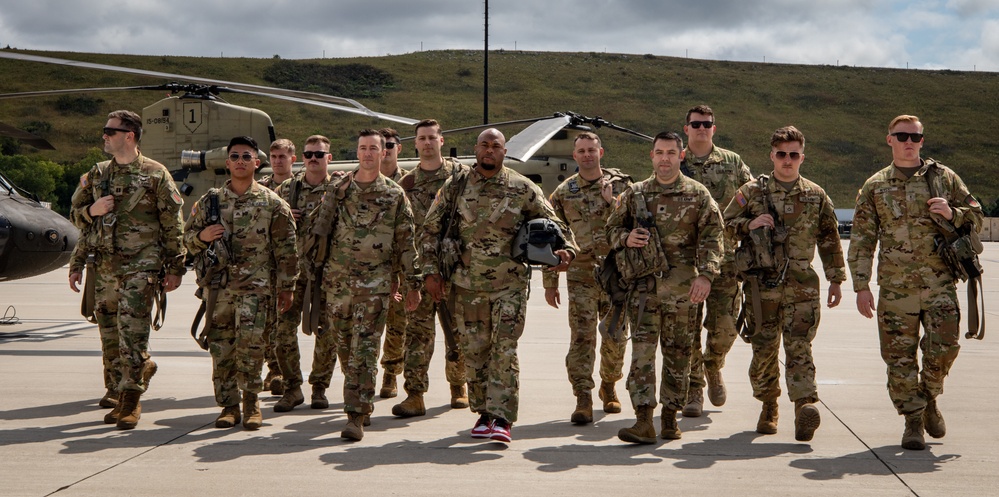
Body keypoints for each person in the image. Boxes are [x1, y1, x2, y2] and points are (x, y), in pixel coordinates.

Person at [420, 128, 577, 443]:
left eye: (495, 146)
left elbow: (556, 223)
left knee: (504, 349)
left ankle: (503, 417)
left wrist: (566, 250)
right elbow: (429, 230)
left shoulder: (522, 188)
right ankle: (483, 413)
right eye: (484, 145)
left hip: (510, 286)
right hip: (465, 286)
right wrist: (430, 272)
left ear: (505, 152)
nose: (489, 151)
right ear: (475, 150)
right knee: (475, 352)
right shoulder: (455, 187)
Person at [848, 115, 984, 450]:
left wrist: (953, 214)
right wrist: (861, 285)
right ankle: (913, 422)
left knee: (945, 349)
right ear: (889, 139)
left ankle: (929, 396)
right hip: (896, 289)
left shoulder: (944, 178)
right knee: (899, 360)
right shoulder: (875, 186)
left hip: (940, 283)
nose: (910, 142)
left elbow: (976, 215)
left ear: (922, 141)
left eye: (916, 137)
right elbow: (863, 239)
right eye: (902, 136)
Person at [724, 126, 845, 441]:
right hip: (761, 286)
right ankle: (768, 405)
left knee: (799, 347)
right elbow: (723, 227)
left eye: (794, 154)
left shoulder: (816, 195)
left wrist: (836, 280)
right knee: (764, 350)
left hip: (802, 285)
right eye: (782, 154)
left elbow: (830, 239)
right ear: (772, 156)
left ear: (802, 157)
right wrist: (748, 223)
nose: (788, 160)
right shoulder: (751, 192)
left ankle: (805, 405)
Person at [68, 110, 186, 429]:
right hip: (105, 266)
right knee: (109, 332)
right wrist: (91, 214)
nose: (104, 135)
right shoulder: (97, 173)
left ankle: (132, 400)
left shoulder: (155, 174)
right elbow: (75, 215)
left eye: (111, 131)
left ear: (129, 136)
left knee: (132, 331)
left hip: (142, 265)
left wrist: (175, 267)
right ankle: (123, 386)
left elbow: (173, 223)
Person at [605, 131, 723, 443]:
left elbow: (714, 238)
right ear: (652, 156)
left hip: (685, 292)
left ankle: (670, 418)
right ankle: (643, 420)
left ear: (681, 156)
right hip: (644, 291)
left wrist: (706, 275)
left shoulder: (697, 195)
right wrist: (625, 238)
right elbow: (611, 229)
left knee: (679, 356)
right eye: (659, 152)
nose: (665, 158)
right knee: (642, 355)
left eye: (671, 152)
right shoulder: (635, 193)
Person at [184, 136, 299, 430]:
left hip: (256, 289)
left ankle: (251, 404)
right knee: (221, 349)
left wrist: (287, 288)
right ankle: (228, 406)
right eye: (234, 156)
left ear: (256, 164)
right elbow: (186, 241)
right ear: (227, 164)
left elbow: (287, 250)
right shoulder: (209, 202)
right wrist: (202, 238)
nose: (240, 161)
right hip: (219, 290)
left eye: (246, 157)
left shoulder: (273, 204)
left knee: (252, 348)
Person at [314, 129, 421, 441]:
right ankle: (359, 397)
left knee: (365, 349)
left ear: (383, 153)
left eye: (374, 148)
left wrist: (411, 284)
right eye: (363, 148)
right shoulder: (339, 189)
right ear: (357, 151)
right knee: (345, 347)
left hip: (375, 286)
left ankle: (357, 415)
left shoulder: (393, 194)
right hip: (338, 284)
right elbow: (320, 231)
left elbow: (406, 243)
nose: (369, 154)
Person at [543, 131, 630, 425]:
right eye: (581, 151)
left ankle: (609, 383)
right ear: (574, 156)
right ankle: (583, 395)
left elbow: (639, 221)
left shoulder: (622, 186)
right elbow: (551, 238)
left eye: (592, 150)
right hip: (580, 275)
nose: (587, 155)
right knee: (581, 338)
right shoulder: (564, 193)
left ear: (601, 153)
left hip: (617, 275)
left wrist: (613, 201)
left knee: (615, 337)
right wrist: (550, 282)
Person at [390, 119, 469, 418]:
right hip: (419, 270)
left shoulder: (460, 177)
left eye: (431, 138)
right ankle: (415, 395)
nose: (426, 143)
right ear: (415, 143)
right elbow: (399, 231)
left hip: (454, 267)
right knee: (418, 334)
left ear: (440, 140)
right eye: (421, 138)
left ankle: (458, 386)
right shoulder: (407, 184)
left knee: (458, 330)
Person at [680, 104, 753, 417]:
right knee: (688, 329)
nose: (701, 128)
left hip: (725, 260)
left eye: (706, 124)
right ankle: (694, 389)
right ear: (687, 128)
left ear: (714, 127)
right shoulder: (674, 160)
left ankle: (713, 364)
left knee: (725, 327)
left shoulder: (732, 162)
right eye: (696, 124)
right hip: (686, 261)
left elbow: (751, 195)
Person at [271, 136, 334, 412]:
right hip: (292, 273)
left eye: (319, 154)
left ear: (328, 158)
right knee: (282, 330)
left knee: (328, 332)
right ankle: (292, 387)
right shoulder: (286, 190)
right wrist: (285, 217)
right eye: (308, 154)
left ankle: (319, 387)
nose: (313, 158)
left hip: (327, 272)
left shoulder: (340, 189)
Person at [259, 138, 297, 396]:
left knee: (286, 323)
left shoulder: (301, 186)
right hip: (264, 264)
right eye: (273, 157)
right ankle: (275, 371)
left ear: (292, 158)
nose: (277, 161)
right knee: (266, 322)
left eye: (282, 156)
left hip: (293, 262)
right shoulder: (261, 188)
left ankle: (286, 372)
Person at [377, 127, 408, 399]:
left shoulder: (409, 184)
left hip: (399, 267)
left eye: (389, 144)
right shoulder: (360, 182)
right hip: (368, 268)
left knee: (397, 326)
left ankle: (390, 374)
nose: (384, 149)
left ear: (399, 148)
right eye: (380, 145)